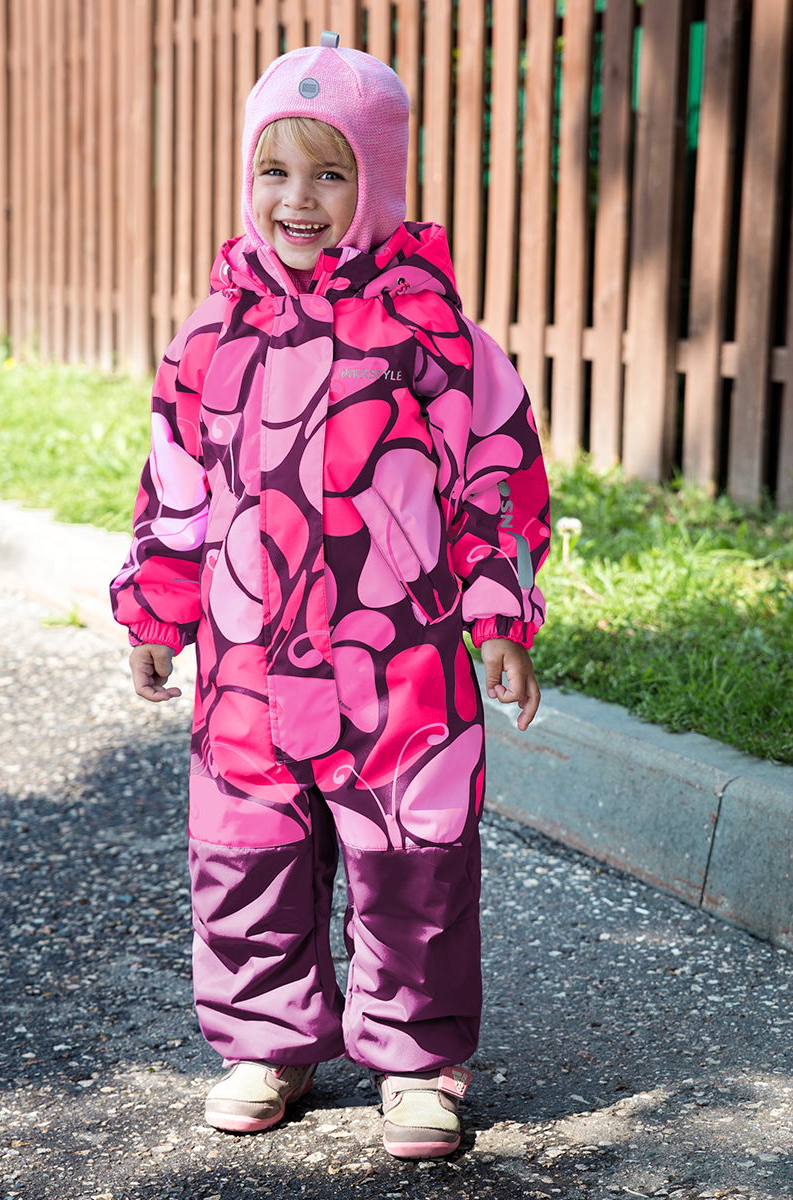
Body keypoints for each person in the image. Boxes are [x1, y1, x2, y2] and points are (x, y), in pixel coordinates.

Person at [110, 31, 549, 1160]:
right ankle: (269, 1041)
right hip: (248, 664)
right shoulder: (210, 337)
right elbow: (177, 490)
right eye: (274, 170)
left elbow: (494, 479)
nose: (297, 200)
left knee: (414, 860)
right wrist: (158, 609)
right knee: (247, 853)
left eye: (329, 173)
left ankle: (416, 1059)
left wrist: (499, 616)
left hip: (401, 663)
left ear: (378, 184)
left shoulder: (433, 336)